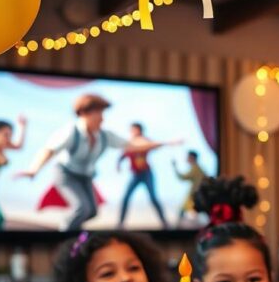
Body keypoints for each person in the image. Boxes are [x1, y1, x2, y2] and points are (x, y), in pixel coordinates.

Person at [18, 94, 171, 231]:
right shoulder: (71, 131)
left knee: (93, 211)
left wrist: (162, 143)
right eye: (99, 113)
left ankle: (70, 228)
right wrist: (34, 169)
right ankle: (64, 234)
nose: (102, 118)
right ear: (84, 113)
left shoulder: (104, 136)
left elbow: (132, 145)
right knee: (81, 208)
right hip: (66, 174)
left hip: (85, 176)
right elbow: (48, 150)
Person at [118, 122, 177, 229]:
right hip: (135, 175)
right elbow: (123, 155)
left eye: (134, 130)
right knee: (126, 198)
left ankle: (164, 222)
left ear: (140, 130)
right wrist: (118, 164)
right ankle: (120, 224)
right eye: (131, 130)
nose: (133, 132)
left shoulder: (145, 141)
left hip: (146, 173)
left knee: (153, 198)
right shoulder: (130, 143)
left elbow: (155, 145)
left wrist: (168, 143)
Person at [174, 150, 208, 225]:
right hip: (197, 195)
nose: (187, 159)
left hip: (194, 196)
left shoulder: (195, 169)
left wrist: (175, 167)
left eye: (188, 157)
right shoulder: (198, 168)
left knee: (184, 212)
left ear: (192, 158)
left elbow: (183, 177)